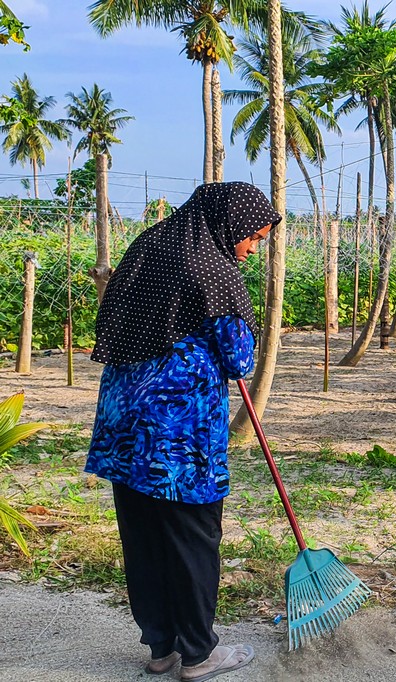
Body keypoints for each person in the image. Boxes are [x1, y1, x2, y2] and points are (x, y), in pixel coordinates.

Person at [85, 182, 281, 681]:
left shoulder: (148, 247)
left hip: (126, 425)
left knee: (145, 535)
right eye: (252, 238)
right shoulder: (217, 271)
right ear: (229, 225)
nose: (251, 249)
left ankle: (162, 648)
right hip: (179, 435)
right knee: (193, 537)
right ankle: (198, 654)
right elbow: (238, 358)